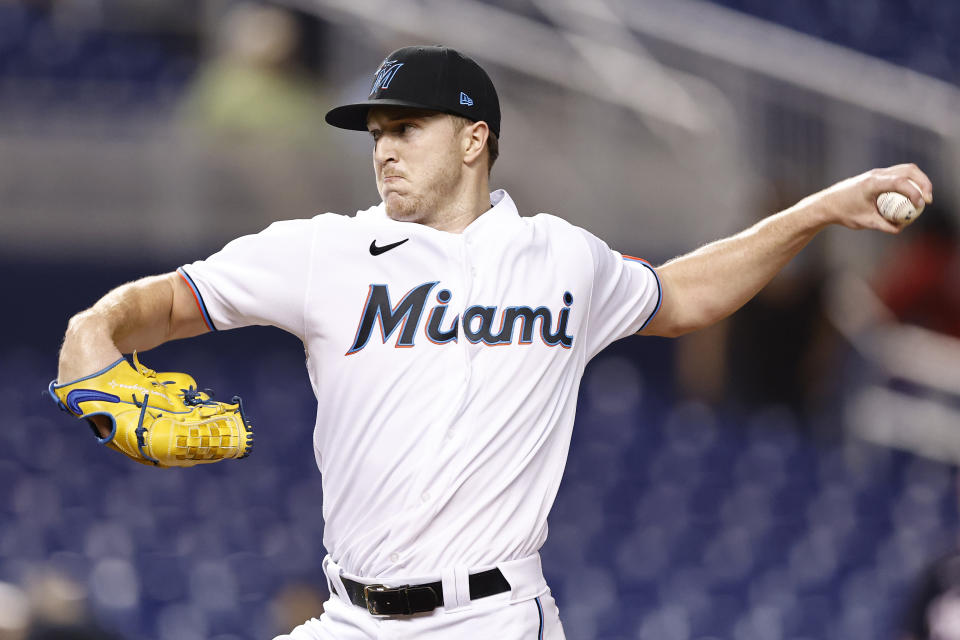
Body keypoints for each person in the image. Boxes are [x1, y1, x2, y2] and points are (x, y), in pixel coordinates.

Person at [53, 45, 933, 639]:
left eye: (406, 129)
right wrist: (93, 330)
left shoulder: (563, 258)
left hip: (494, 618)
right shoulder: (323, 251)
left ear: (475, 138)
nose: (383, 151)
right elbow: (163, 305)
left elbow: (684, 295)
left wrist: (819, 209)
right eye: (376, 135)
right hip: (351, 617)